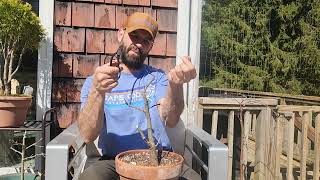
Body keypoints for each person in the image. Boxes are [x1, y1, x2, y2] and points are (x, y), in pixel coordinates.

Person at [78, 12, 199, 180]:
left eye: (146, 40)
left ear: (150, 46)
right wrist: (97, 92)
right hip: (114, 162)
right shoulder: (98, 80)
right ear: (121, 34)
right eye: (134, 36)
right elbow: (87, 135)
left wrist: (175, 84)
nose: (138, 44)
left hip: (160, 158)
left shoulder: (158, 78)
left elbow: (170, 119)